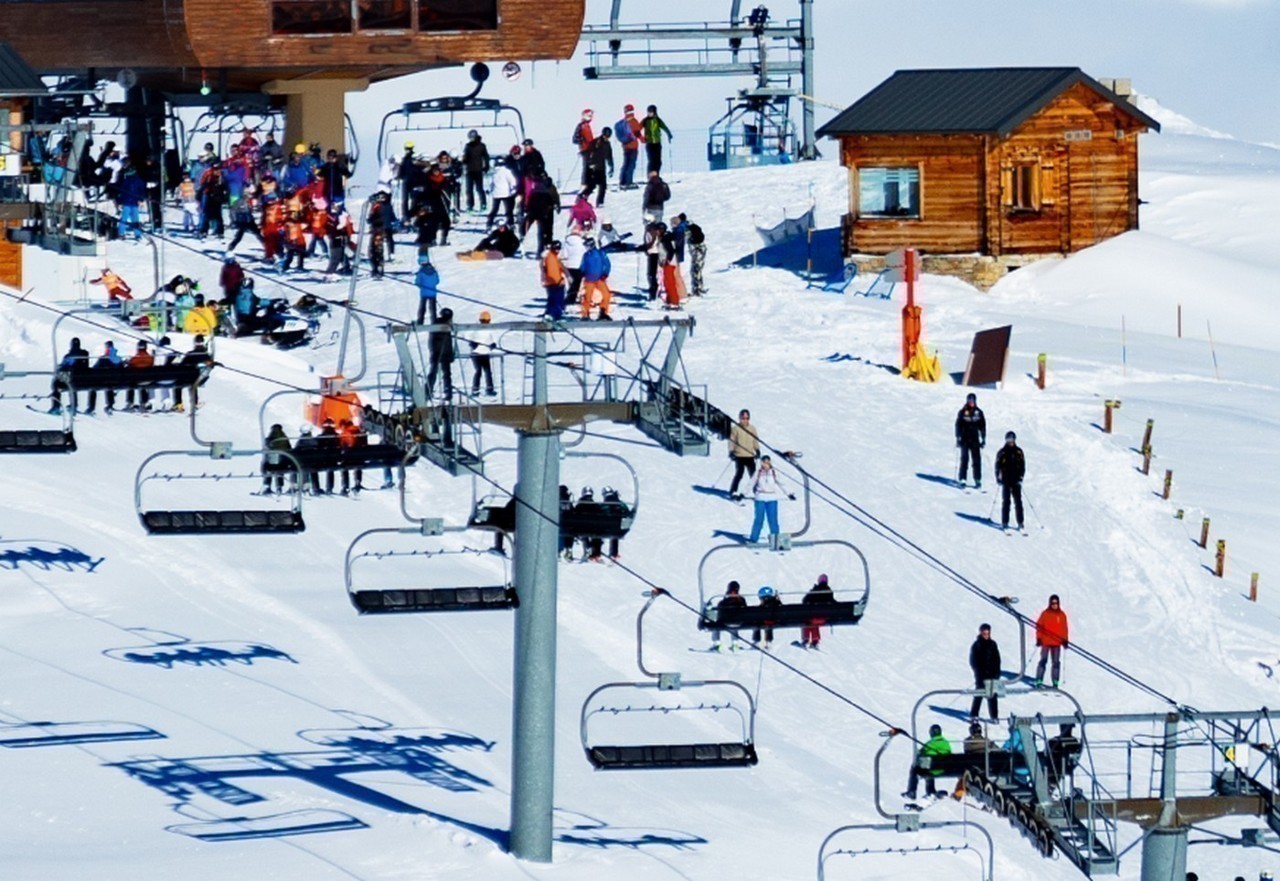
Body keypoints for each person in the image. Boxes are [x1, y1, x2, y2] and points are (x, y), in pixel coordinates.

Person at [748, 455, 793, 545]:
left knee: (773, 520)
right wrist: (742, 494)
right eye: (764, 462)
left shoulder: (774, 472)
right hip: (760, 497)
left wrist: (789, 493)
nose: (765, 465)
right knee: (759, 520)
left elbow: (781, 483)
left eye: (767, 462)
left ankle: (776, 540)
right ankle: (753, 539)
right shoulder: (758, 472)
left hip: (772, 498)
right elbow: (751, 483)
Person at [903, 724, 952, 800]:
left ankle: (912, 791)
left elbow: (920, 754)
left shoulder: (929, 744)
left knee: (916, 767)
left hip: (931, 769)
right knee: (929, 764)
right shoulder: (946, 743)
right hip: (943, 768)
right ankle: (930, 791)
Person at [1034, 594, 1069, 688]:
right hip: (1045, 642)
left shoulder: (1062, 615)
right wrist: (1039, 638)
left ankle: (1055, 682)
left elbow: (1064, 628)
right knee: (1043, 661)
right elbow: (1039, 626)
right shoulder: (1045, 613)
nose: (1054, 605)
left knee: (1056, 662)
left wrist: (1065, 640)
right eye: (1053, 603)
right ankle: (1039, 680)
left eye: (1056, 603)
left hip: (1056, 643)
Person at [968, 623, 1001, 721]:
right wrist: (978, 672)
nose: (986, 635)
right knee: (979, 693)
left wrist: (997, 672)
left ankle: (994, 716)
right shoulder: (977, 645)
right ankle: (974, 714)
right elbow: (973, 660)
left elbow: (997, 659)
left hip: (992, 674)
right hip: (981, 675)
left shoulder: (993, 644)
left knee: (993, 695)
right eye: (984, 633)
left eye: (987, 633)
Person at [994, 430, 1026, 530]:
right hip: (1006, 480)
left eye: (1012, 439)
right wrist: (998, 477)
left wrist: (1021, 477)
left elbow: (1022, 466)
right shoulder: (1002, 452)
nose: (1010, 441)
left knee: (1018, 502)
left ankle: (1020, 522)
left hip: (1016, 480)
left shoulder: (1019, 451)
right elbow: (997, 466)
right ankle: (1005, 522)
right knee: (1006, 501)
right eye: (1008, 439)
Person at [49, 336, 89, 413]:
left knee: (56, 384)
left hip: (70, 379)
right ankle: (74, 404)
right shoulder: (84, 354)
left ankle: (56, 406)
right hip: (81, 380)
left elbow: (64, 366)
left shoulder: (69, 356)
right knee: (73, 384)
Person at [955, 392, 986, 488]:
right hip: (965, 439)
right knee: (964, 459)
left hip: (975, 439)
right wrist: (958, 437)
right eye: (969, 400)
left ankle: (977, 479)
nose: (971, 402)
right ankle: (962, 478)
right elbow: (958, 425)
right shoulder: (963, 412)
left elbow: (982, 426)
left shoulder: (979, 412)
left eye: (973, 401)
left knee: (976, 460)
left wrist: (983, 438)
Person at [173, 335, 212, 412]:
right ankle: (195, 403)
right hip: (197, 378)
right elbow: (210, 364)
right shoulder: (206, 355)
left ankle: (179, 404)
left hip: (188, 377)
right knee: (193, 384)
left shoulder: (190, 354)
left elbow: (182, 364)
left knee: (178, 384)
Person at [727, 409, 759, 500]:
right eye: (743, 418)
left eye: (747, 418)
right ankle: (733, 491)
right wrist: (731, 452)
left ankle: (757, 491)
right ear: (740, 418)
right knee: (739, 473)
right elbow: (731, 441)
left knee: (753, 475)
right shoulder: (736, 429)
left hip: (750, 455)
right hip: (739, 455)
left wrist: (757, 450)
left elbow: (755, 441)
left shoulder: (752, 429)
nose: (745, 420)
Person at [425, 307, 455, 400]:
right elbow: (442, 341)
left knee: (435, 372)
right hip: (440, 353)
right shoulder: (444, 325)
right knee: (443, 373)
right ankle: (446, 392)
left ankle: (429, 391)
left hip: (439, 352)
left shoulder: (439, 324)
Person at [579, 237, 612, 320]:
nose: (586, 247)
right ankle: (585, 314)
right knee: (587, 297)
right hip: (589, 280)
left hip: (599, 279)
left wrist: (605, 274)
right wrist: (582, 273)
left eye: (587, 245)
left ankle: (603, 312)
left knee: (606, 294)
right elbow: (583, 266)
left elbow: (607, 264)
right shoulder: (586, 255)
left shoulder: (600, 253)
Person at [85, 340, 122, 415]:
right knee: (109, 383)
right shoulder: (118, 359)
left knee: (94, 386)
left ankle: (91, 407)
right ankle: (110, 404)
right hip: (116, 381)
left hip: (103, 381)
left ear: (107, 348)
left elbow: (95, 368)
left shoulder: (103, 358)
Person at [710, 580, 747, 652]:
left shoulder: (724, 601)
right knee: (734, 623)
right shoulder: (741, 600)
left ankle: (717, 644)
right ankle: (735, 644)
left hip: (725, 622)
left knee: (716, 625)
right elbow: (745, 609)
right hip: (739, 622)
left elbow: (719, 610)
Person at [467, 311, 497, 397]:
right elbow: (468, 335)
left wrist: (493, 344)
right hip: (476, 353)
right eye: (484, 321)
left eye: (487, 321)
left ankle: (490, 388)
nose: (486, 323)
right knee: (478, 371)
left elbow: (492, 338)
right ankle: (475, 389)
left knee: (488, 371)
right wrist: (472, 343)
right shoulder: (475, 328)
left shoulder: (489, 329)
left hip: (485, 352)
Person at [582, 127, 614, 206]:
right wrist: (590, 162)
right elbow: (589, 152)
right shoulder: (596, 142)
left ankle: (600, 202)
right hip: (593, 168)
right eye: (605, 136)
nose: (606, 138)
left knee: (603, 186)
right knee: (592, 186)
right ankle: (582, 198)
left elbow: (609, 156)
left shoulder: (607, 144)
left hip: (601, 168)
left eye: (608, 136)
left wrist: (611, 166)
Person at [615, 103, 644, 189]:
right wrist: (643, 140)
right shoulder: (633, 121)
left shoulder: (623, 122)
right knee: (631, 164)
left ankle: (622, 181)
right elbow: (638, 133)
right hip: (633, 146)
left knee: (626, 164)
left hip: (625, 146)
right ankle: (629, 182)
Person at [801, 574, 834, 649]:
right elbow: (832, 602)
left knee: (808, 620)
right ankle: (815, 641)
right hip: (824, 617)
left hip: (814, 616)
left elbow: (805, 600)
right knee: (815, 621)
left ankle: (806, 639)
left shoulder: (815, 590)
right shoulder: (829, 592)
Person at [461, 130, 490, 213]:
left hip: (478, 170)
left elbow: (486, 156)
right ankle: (470, 206)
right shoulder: (468, 146)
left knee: (479, 188)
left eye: (473, 137)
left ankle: (483, 204)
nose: (471, 139)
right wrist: (463, 160)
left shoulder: (481, 146)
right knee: (469, 189)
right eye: (470, 138)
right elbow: (466, 157)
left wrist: (486, 166)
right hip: (469, 170)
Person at [487, 156, 519, 228]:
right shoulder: (507, 171)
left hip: (496, 194)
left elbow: (492, 183)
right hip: (506, 194)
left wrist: (490, 190)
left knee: (494, 210)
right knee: (508, 211)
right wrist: (513, 189)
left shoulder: (494, 172)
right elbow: (512, 181)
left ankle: (489, 224)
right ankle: (511, 224)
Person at [261, 423, 293, 494]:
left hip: (272, 463)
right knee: (280, 473)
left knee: (268, 469)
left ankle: (267, 486)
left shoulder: (270, 438)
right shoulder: (284, 438)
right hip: (283, 463)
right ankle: (279, 487)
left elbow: (267, 449)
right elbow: (289, 449)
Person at [123, 339, 154, 412]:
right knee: (143, 384)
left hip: (136, 380)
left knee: (131, 384)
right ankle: (144, 402)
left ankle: (130, 402)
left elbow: (130, 365)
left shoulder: (135, 358)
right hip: (147, 380)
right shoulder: (149, 358)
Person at [641, 104, 674, 174]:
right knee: (651, 160)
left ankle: (656, 176)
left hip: (657, 143)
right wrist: (640, 137)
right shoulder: (645, 120)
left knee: (658, 161)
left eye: (651, 112)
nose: (649, 113)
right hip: (649, 143)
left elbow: (664, 127)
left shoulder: (658, 120)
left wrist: (669, 134)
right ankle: (650, 177)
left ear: (655, 112)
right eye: (648, 112)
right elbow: (638, 128)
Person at [338, 418, 366, 495]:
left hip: (349, 459)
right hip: (360, 459)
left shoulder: (345, 433)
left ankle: (345, 486)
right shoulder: (358, 431)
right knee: (358, 462)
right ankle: (358, 482)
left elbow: (341, 446)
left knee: (344, 466)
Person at [541, 240, 566, 320]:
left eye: (559, 248)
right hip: (554, 282)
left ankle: (549, 313)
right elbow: (552, 272)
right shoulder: (550, 258)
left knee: (552, 299)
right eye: (556, 248)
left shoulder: (553, 256)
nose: (558, 250)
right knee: (556, 300)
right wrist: (558, 281)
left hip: (553, 282)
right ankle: (555, 315)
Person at [561, 228, 586, 305]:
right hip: (579, 265)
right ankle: (572, 298)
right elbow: (585, 253)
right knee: (577, 283)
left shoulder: (566, 242)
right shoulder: (582, 242)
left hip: (569, 265)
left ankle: (570, 297)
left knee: (571, 282)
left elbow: (564, 254)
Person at [415, 257, 440, 325]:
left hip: (424, 293)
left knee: (422, 307)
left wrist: (421, 286)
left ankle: (420, 321)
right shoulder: (434, 271)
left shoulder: (421, 272)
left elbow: (417, 282)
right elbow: (437, 281)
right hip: (433, 292)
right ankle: (434, 321)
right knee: (433, 308)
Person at [688, 220, 708, 295]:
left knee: (695, 271)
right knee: (698, 270)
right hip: (701, 250)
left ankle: (697, 289)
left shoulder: (691, 231)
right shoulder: (697, 229)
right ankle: (699, 287)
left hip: (697, 252)